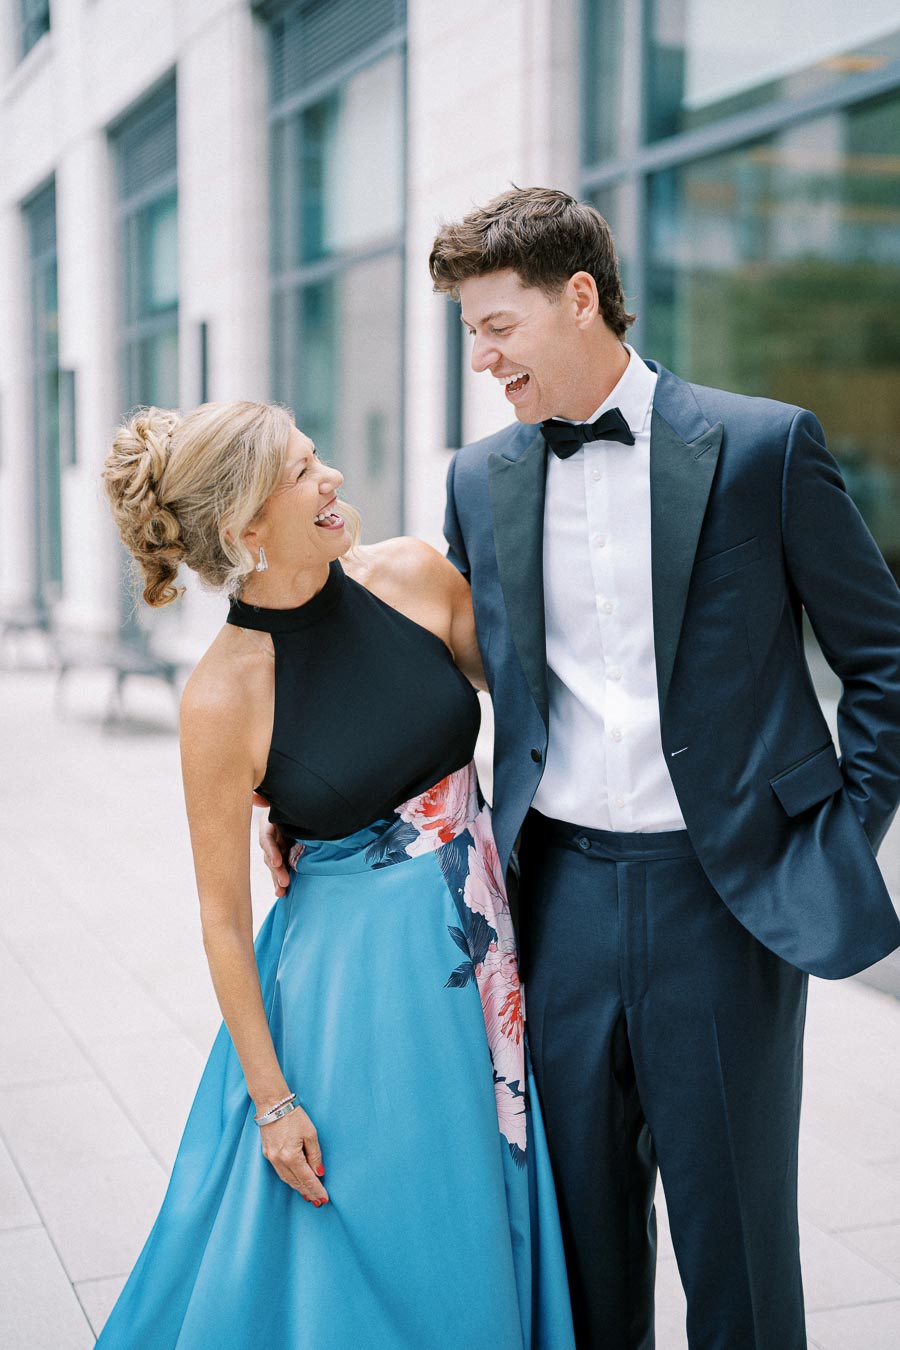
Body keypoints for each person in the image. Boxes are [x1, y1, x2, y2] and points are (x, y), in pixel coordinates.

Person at [261, 188, 900, 1348]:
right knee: (576, 1251)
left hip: (730, 902)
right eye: (467, 331)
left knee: (740, 1255)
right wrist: (305, 796)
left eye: (495, 325)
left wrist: (835, 838)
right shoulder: (477, 479)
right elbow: (432, 674)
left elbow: (884, 660)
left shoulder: (764, 448)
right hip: (552, 907)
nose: (481, 357)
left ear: (581, 297)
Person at [96, 400, 575, 1349]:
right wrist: (274, 1103)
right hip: (354, 1002)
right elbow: (223, 921)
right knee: (396, 1235)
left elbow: (539, 711)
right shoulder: (222, 697)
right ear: (246, 529)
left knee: (491, 1203)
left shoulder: (408, 575)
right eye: (304, 471)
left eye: (321, 456)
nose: (334, 480)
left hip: (487, 956)